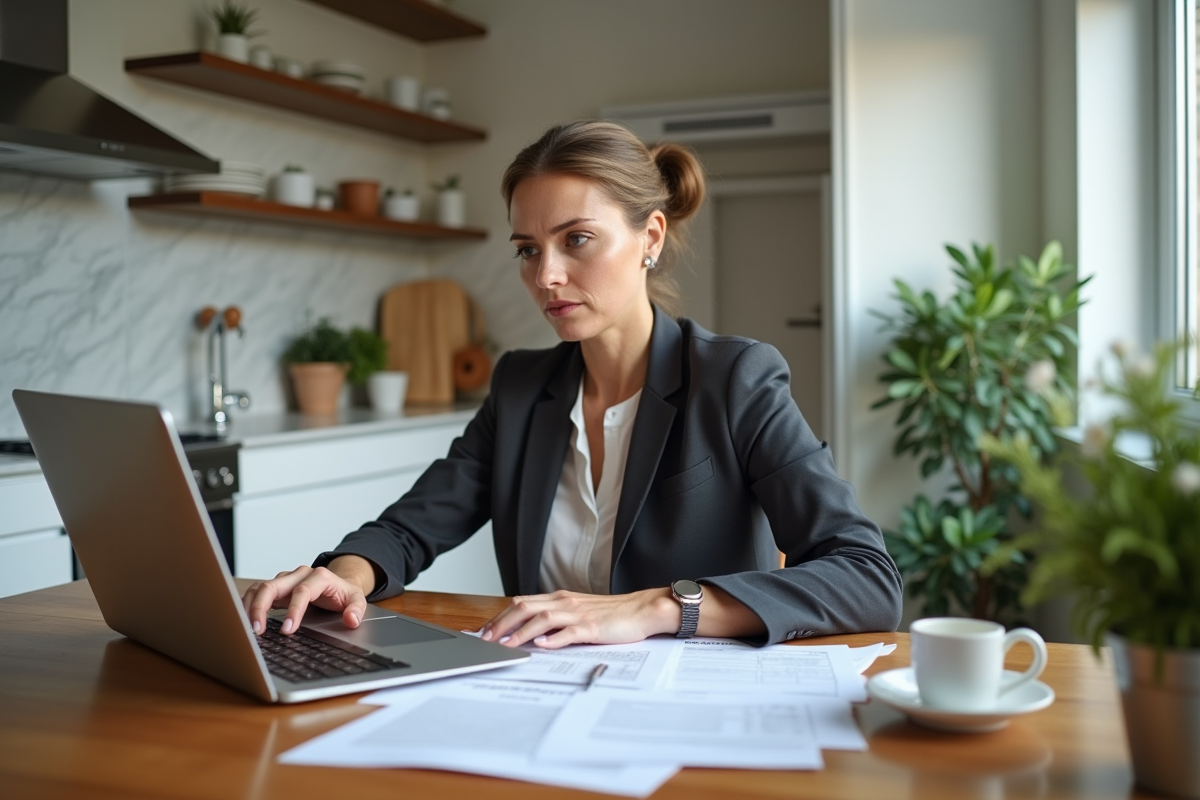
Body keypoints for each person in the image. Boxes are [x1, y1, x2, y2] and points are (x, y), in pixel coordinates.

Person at [243, 120, 903, 648]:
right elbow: (413, 528)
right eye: (528, 248)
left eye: (577, 239)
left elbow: (867, 578)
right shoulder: (521, 387)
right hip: (543, 702)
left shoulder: (735, 378)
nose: (545, 276)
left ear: (650, 236)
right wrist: (342, 577)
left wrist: (651, 608)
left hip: (689, 715)